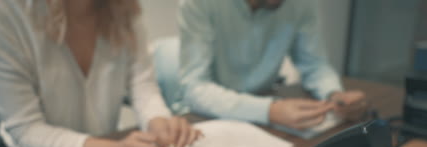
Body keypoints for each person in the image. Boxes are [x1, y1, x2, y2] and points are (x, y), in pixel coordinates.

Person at [0, 0, 200, 147]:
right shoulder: (2, 13)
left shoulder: (123, 8)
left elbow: (142, 86)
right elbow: (26, 128)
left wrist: (158, 121)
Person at [156, 0, 367, 130]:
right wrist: (269, 111)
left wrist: (334, 94)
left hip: (263, 113)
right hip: (208, 115)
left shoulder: (302, 3)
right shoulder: (199, 3)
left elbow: (314, 63)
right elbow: (195, 90)